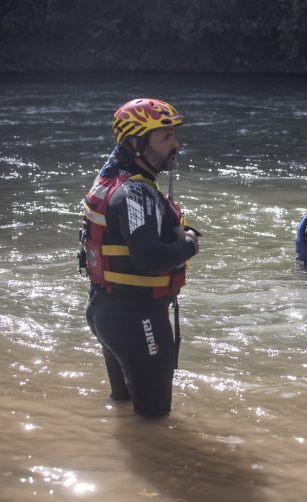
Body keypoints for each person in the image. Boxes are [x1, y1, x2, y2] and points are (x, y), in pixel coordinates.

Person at [80, 98, 199, 414]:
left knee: (126, 410)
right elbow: (147, 259)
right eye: (165, 138)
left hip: (107, 308)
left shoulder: (114, 177)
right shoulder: (135, 192)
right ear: (136, 144)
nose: (175, 144)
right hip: (136, 318)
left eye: (173, 135)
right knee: (155, 421)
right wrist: (189, 244)